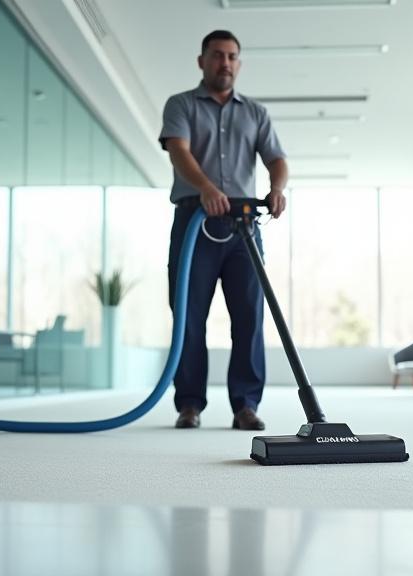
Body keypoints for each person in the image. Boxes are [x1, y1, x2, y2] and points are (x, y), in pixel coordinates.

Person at [159, 30, 289, 430]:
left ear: (239, 63)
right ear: (202, 61)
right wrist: (205, 188)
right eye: (217, 55)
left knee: (249, 316)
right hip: (195, 222)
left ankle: (245, 405)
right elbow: (179, 149)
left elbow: (277, 158)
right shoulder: (181, 105)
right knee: (189, 315)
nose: (225, 63)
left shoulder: (255, 113)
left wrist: (277, 189)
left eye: (232, 56)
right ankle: (189, 405)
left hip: (244, 228)